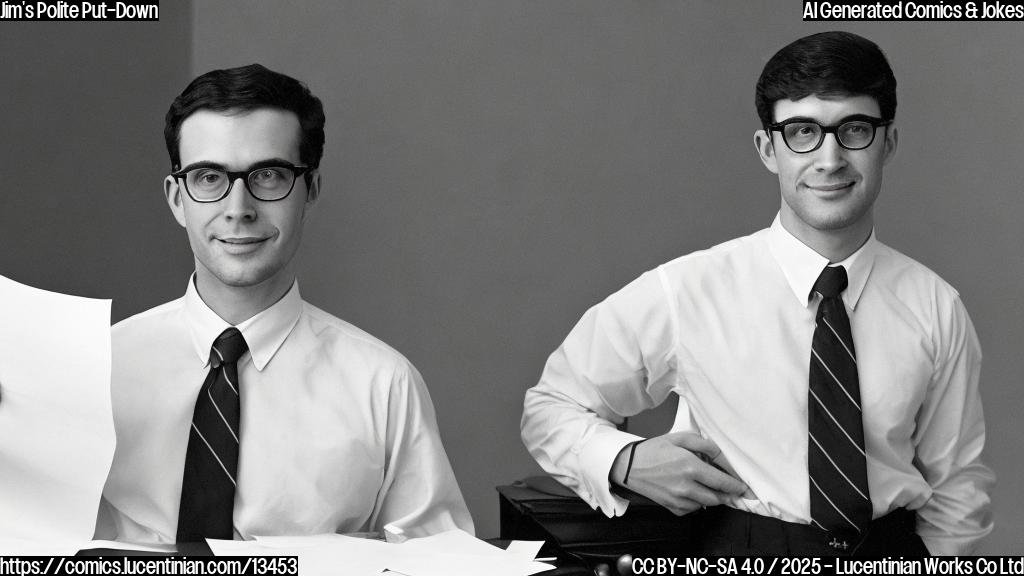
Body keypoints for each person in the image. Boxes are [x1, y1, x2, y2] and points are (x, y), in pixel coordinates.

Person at [521, 31, 993, 556]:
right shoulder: (689, 291)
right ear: (768, 149)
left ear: (890, 143)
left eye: (855, 129)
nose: (830, 158)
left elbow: (956, 490)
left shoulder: (936, 306)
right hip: (742, 552)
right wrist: (625, 460)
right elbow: (550, 407)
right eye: (802, 132)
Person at [98, 64, 472, 545]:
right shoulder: (96, 370)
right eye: (209, 177)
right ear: (177, 199)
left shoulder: (384, 385)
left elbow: (439, 560)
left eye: (269, 175)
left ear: (310, 190)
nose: (238, 208)